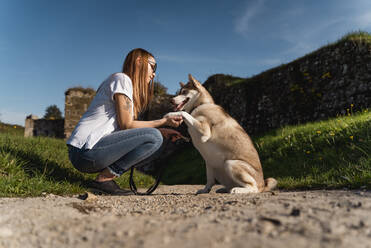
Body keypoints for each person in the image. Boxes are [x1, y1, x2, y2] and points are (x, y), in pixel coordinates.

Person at [67, 48, 183, 195]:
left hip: (87, 152)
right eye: (153, 66)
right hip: (85, 151)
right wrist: (163, 121)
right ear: (139, 61)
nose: (154, 74)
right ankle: (104, 180)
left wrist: (161, 130)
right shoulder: (122, 79)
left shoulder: (124, 84)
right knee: (154, 137)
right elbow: (127, 125)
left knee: (154, 137)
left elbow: (126, 129)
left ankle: (103, 180)